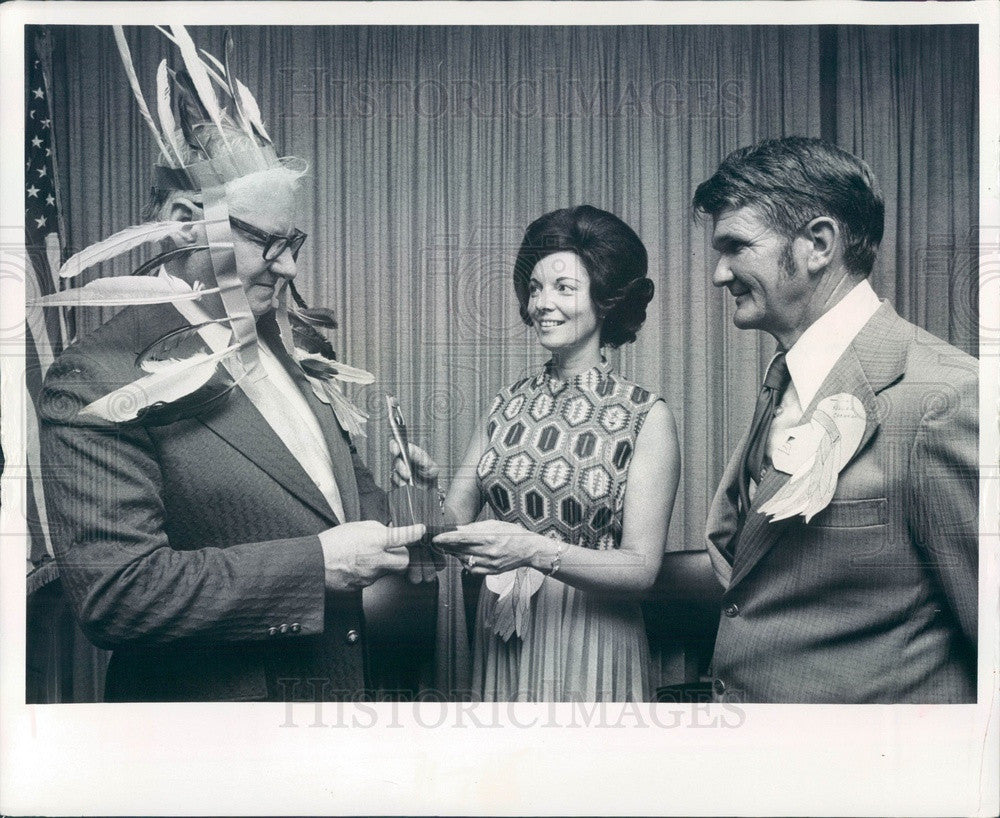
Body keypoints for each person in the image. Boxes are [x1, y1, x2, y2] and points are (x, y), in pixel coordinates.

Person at [37, 27, 424, 702]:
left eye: (294, 241)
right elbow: (118, 597)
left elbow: (337, 509)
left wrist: (422, 514)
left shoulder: (293, 347)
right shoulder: (95, 379)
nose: (292, 267)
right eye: (269, 244)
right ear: (186, 221)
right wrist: (317, 567)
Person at [694, 136, 978, 703]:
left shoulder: (946, 398)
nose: (720, 274)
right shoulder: (784, 379)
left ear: (818, 244)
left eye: (736, 247)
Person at [395, 205, 680, 701]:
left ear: (607, 299)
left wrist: (532, 550)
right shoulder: (506, 403)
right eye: (534, 288)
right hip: (500, 633)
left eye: (564, 288)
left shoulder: (645, 415)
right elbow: (451, 528)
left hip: (592, 638)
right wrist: (424, 491)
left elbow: (640, 570)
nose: (542, 304)